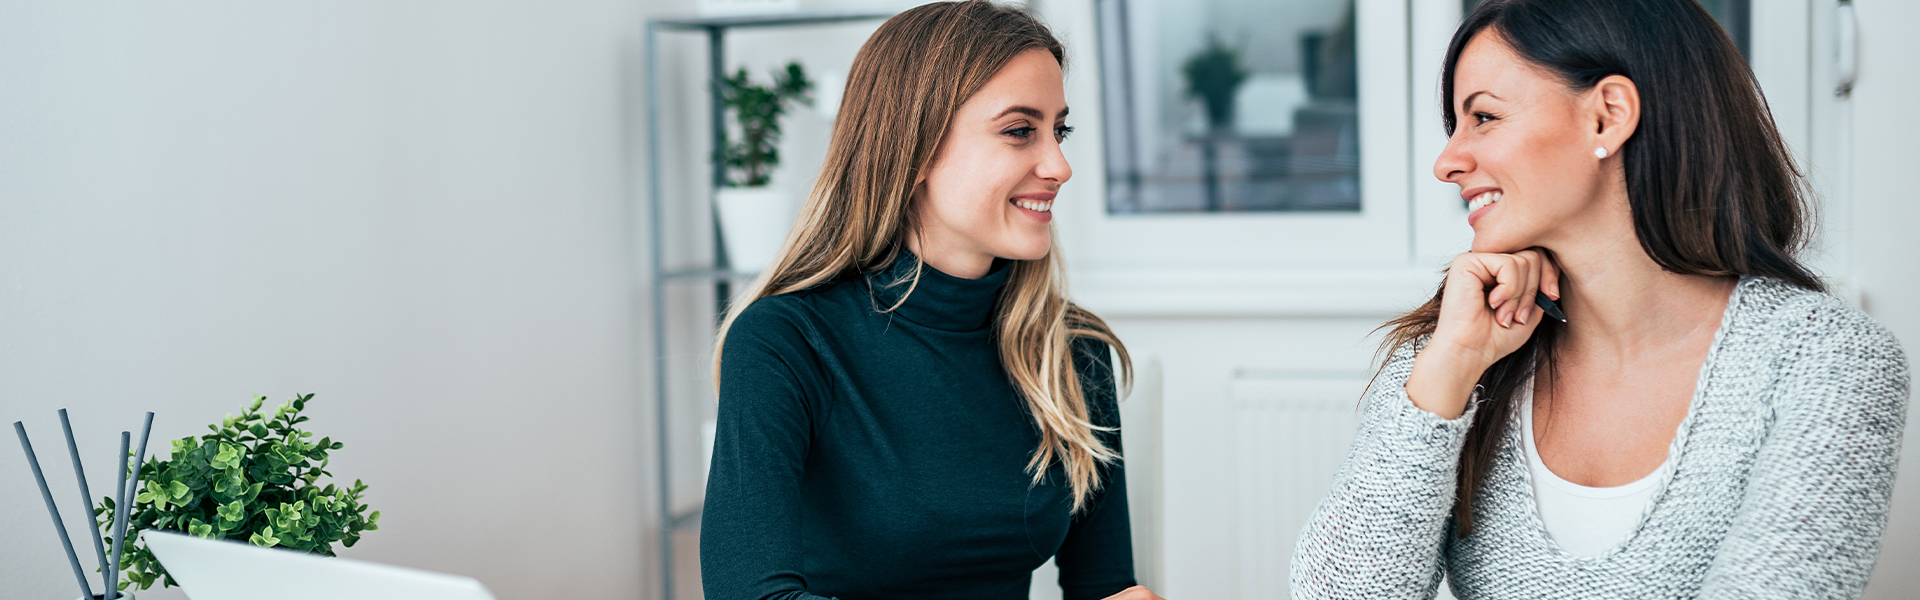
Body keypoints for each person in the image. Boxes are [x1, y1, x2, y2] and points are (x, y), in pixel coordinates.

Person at [1291, 0, 1909, 598]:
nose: (1447, 162)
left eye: (1483, 117)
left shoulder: (1827, 361)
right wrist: (1449, 366)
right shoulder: (1466, 345)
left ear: (1607, 115)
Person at [700, 3, 1163, 599]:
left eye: (1059, 131)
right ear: (913, 149)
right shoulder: (786, 341)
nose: (1060, 165)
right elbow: (751, 594)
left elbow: (1103, 586)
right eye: (1021, 130)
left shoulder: (1069, 350)